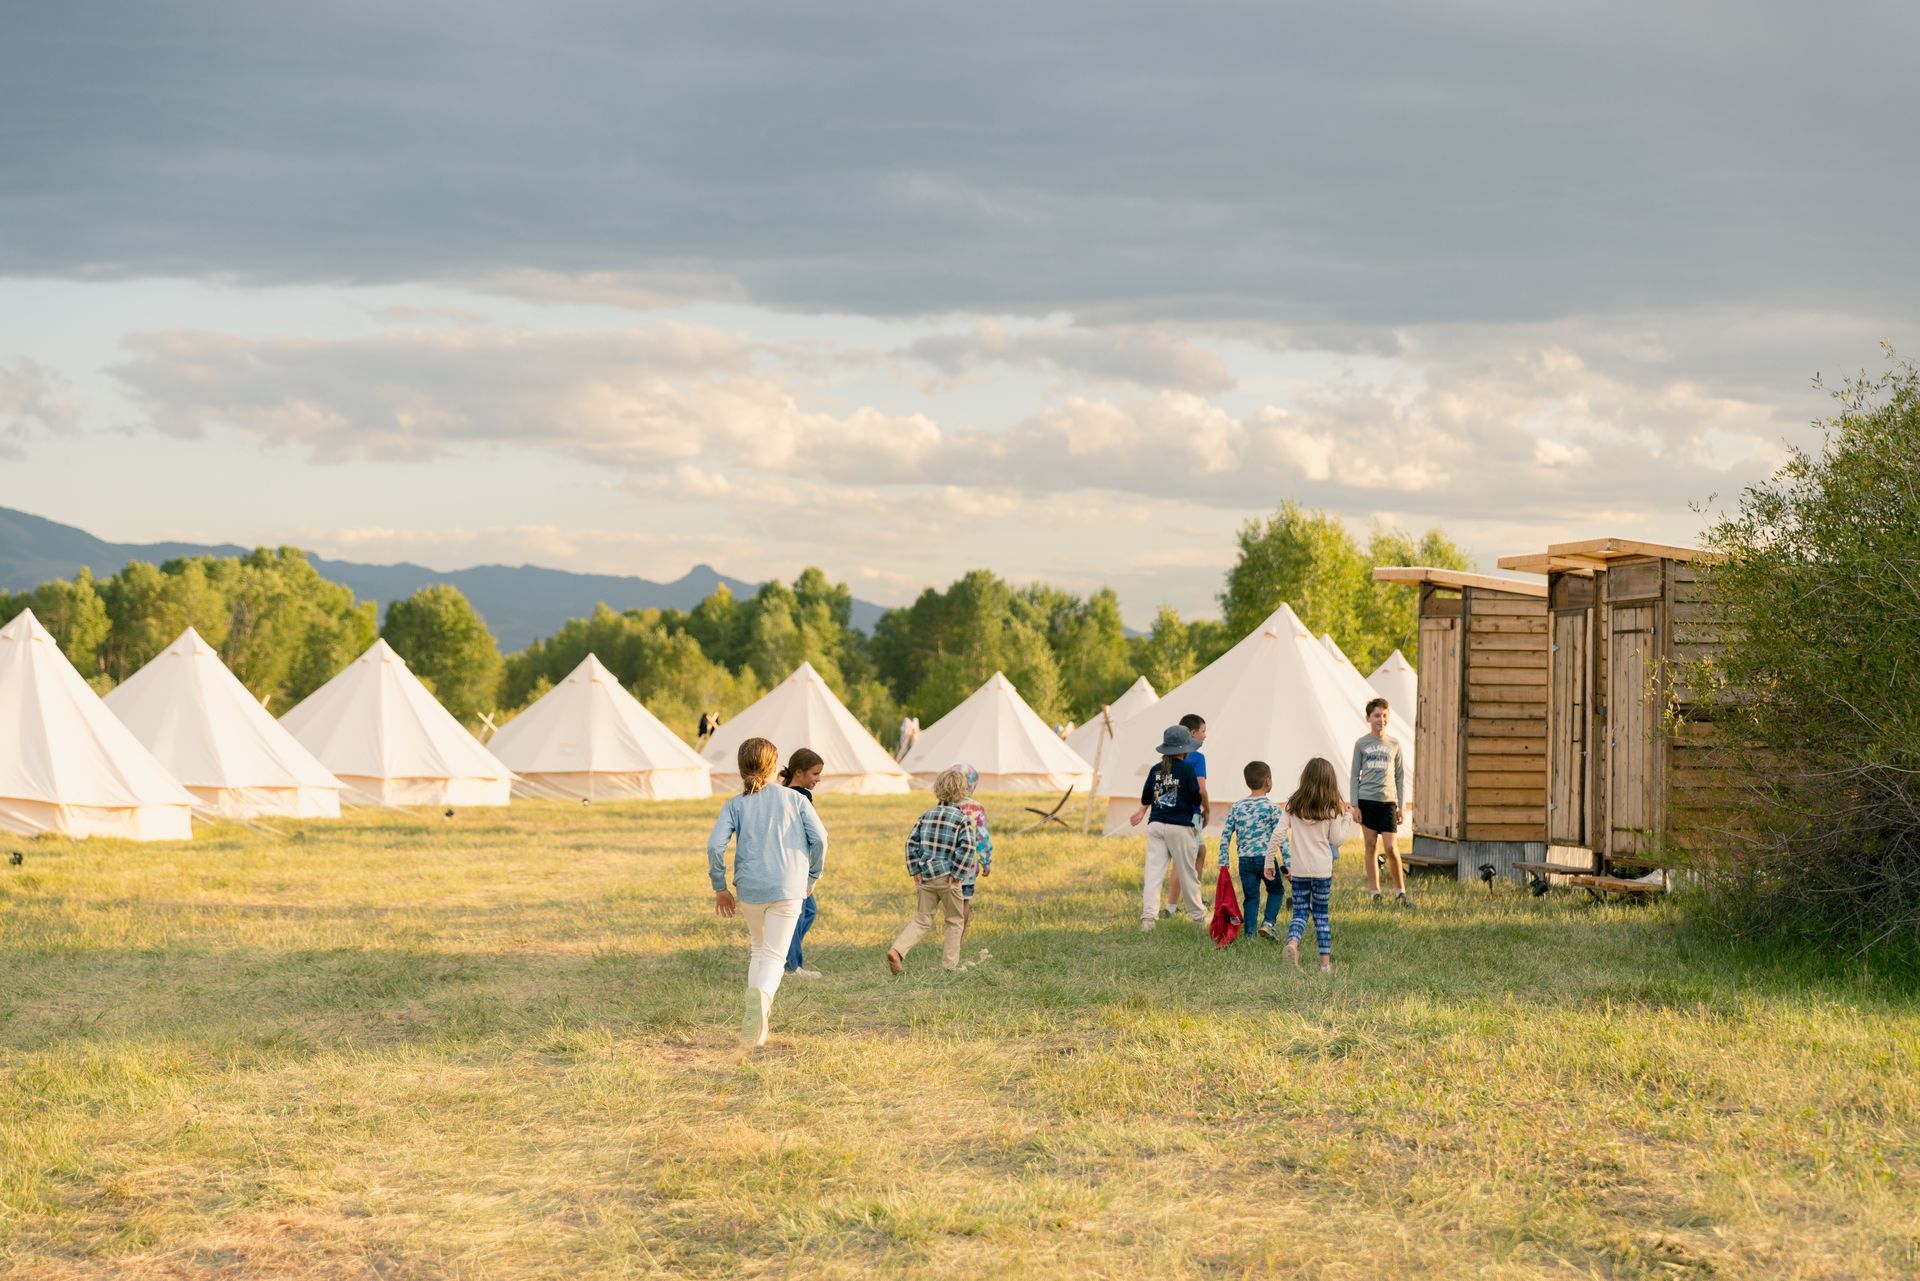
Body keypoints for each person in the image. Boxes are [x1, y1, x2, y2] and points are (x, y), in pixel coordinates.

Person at [707, 737, 828, 1047]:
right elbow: (821, 840)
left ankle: (756, 1023)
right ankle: (759, 1008)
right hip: (789, 886)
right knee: (774, 956)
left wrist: (720, 887)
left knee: (758, 949)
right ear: (775, 766)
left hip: (749, 888)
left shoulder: (735, 804)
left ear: (741, 768)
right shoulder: (795, 799)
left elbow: (714, 845)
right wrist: (811, 877)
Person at [886, 768, 983, 973]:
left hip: (927, 877)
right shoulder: (962, 819)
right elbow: (967, 848)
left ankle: (897, 950)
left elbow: (910, 843)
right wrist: (957, 875)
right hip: (948, 878)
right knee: (955, 921)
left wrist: (915, 871)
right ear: (962, 791)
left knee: (922, 919)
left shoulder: (926, 816)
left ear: (937, 789)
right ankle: (949, 966)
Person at [1270, 756, 1351, 972]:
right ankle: (1324, 964)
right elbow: (1337, 840)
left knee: (1299, 913)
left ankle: (1292, 945)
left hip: (1300, 870)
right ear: (1330, 781)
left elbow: (1278, 834)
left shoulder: (1293, 805)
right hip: (1322, 870)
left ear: (1305, 778)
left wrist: (1270, 861)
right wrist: (1348, 818)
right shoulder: (1332, 808)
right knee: (1321, 915)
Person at [1129, 725, 1206, 930]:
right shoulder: (1187, 769)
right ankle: (1199, 917)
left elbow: (1146, 797)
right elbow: (1194, 796)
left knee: (1153, 874)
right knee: (1187, 873)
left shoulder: (1155, 769)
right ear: (1184, 749)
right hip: (1179, 827)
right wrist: (1200, 807)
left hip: (1156, 824)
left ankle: (1148, 919)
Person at [1349, 697, 1412, 908]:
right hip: (1367, 800)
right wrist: (1354, 805)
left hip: (1388, 803)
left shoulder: (1394, 744)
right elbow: (1354, 776)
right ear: (1368, 718)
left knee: (1392, 847)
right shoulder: (1361, 744)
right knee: (1370, 845)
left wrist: (1401, 805)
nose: (1381, 719)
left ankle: (1400, 892)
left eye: (1384, 715)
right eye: (1377, 715)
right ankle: (1375, 892)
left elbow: (1400, 776)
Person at [1218, 760, 1286, 942]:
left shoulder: (1237, 807)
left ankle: (1249, 936)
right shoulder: (1272, 808)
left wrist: (1223, 860)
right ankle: (1268, 924)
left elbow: (1225, 835)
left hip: (1245, 861)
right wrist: (1288, 863)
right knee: (1277, 890)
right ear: (1268, 781)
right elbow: (1281, 838)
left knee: (1251, 897)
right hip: (1267, 860)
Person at [779, 748, 826, 979]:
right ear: (799, 772)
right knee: (799, 913)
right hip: (797, 864)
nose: (818, 779)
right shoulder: (800, 796)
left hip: (789, 862)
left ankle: (786, 955)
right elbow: (814, 834)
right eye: (815, 774)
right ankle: (790, 965)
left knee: (806, 910)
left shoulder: (781, 792)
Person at [1161, 713, 1212, 915]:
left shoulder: (1169, 759)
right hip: (1190, 815)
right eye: (1202, 731)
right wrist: (1207, 809)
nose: (1205, 736)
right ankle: (1172, 907)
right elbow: (1201, 788)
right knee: (1182, 860)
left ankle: (1193, 897)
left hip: (1171, 813)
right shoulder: (1197, 758)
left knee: (1200, 852)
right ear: (1192, 733)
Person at [950, 762, 993, 934]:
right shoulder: (976, 808)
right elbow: (981, 837)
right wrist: (986, 861)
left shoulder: (944, 805)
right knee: (964, 902)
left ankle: (950, 934)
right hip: (968, 865)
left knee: (949, 901)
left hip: (946, 863)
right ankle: (958, 939)